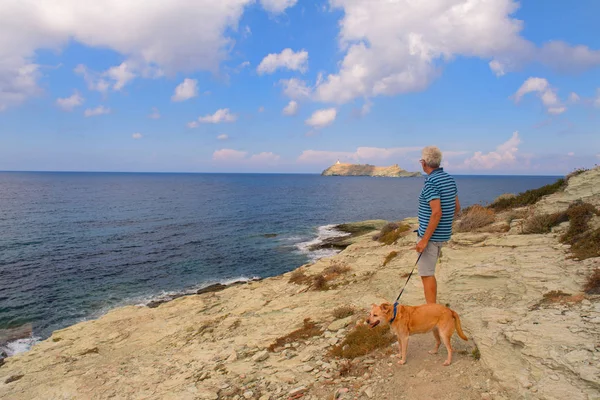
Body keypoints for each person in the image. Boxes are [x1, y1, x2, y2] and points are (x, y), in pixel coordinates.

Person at [415, 146, 460, 304]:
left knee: (427, 274)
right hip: (442, 234)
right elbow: (456, 208)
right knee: (429, 272)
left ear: (423, 163)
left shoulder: (431, 182)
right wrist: (444, 226)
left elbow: (436, 212)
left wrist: (424, 240)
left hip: (430, 237)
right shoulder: (448, 179)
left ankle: (431, 311)